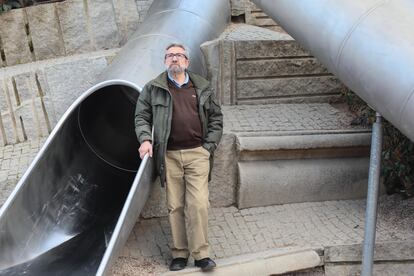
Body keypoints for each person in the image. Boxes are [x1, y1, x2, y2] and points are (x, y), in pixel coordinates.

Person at [134, 43, 223, 271]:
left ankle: (201, 254)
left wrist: (208, 147)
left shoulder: (201, 86)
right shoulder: (153, 88)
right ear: (165, 61)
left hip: (197, 154)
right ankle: (179, 254)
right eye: (170, 55)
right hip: (169, 155)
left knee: (199, 204)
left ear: (187, 61)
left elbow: (216, 119)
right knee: (175, 206)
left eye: (179, 55)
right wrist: (145, 139)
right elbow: (141, 116)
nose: (174, 59)